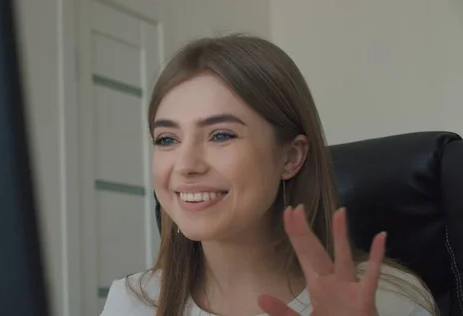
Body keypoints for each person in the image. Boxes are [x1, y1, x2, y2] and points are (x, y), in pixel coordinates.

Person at [99, 35, 437, 316]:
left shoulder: (391, 301)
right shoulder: (130, 302)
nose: (185, 165)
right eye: (167, 139)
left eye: (221, 135)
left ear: (290, 157)